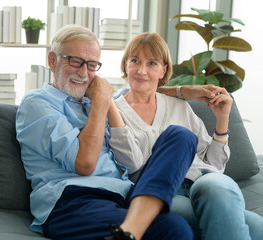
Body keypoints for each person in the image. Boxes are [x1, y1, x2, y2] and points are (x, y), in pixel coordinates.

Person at [15, 25, 215, 240]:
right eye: (74, 61)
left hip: (123, 196)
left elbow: (140, 86)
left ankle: (129, 232)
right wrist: (102, 101)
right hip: (72, 203)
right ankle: (130, 232)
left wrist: (183, 91)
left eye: (91, 65)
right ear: (53, 60)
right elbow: (84, 164)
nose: (83, 72)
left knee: (181, 135)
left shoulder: (97, 99)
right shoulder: (38, 102)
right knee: (175, 229)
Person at [108, 32, 263, 240]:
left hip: (203, 179)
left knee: (217, 186)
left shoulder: (178, 105)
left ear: (163, 70)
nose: (141, 70)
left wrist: (222, 119)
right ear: (125, 64)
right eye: (135, 60)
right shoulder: (113, 111)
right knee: (255, 226)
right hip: (161, 193)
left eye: (152, 63)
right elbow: (133, 165)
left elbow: (215, 166)